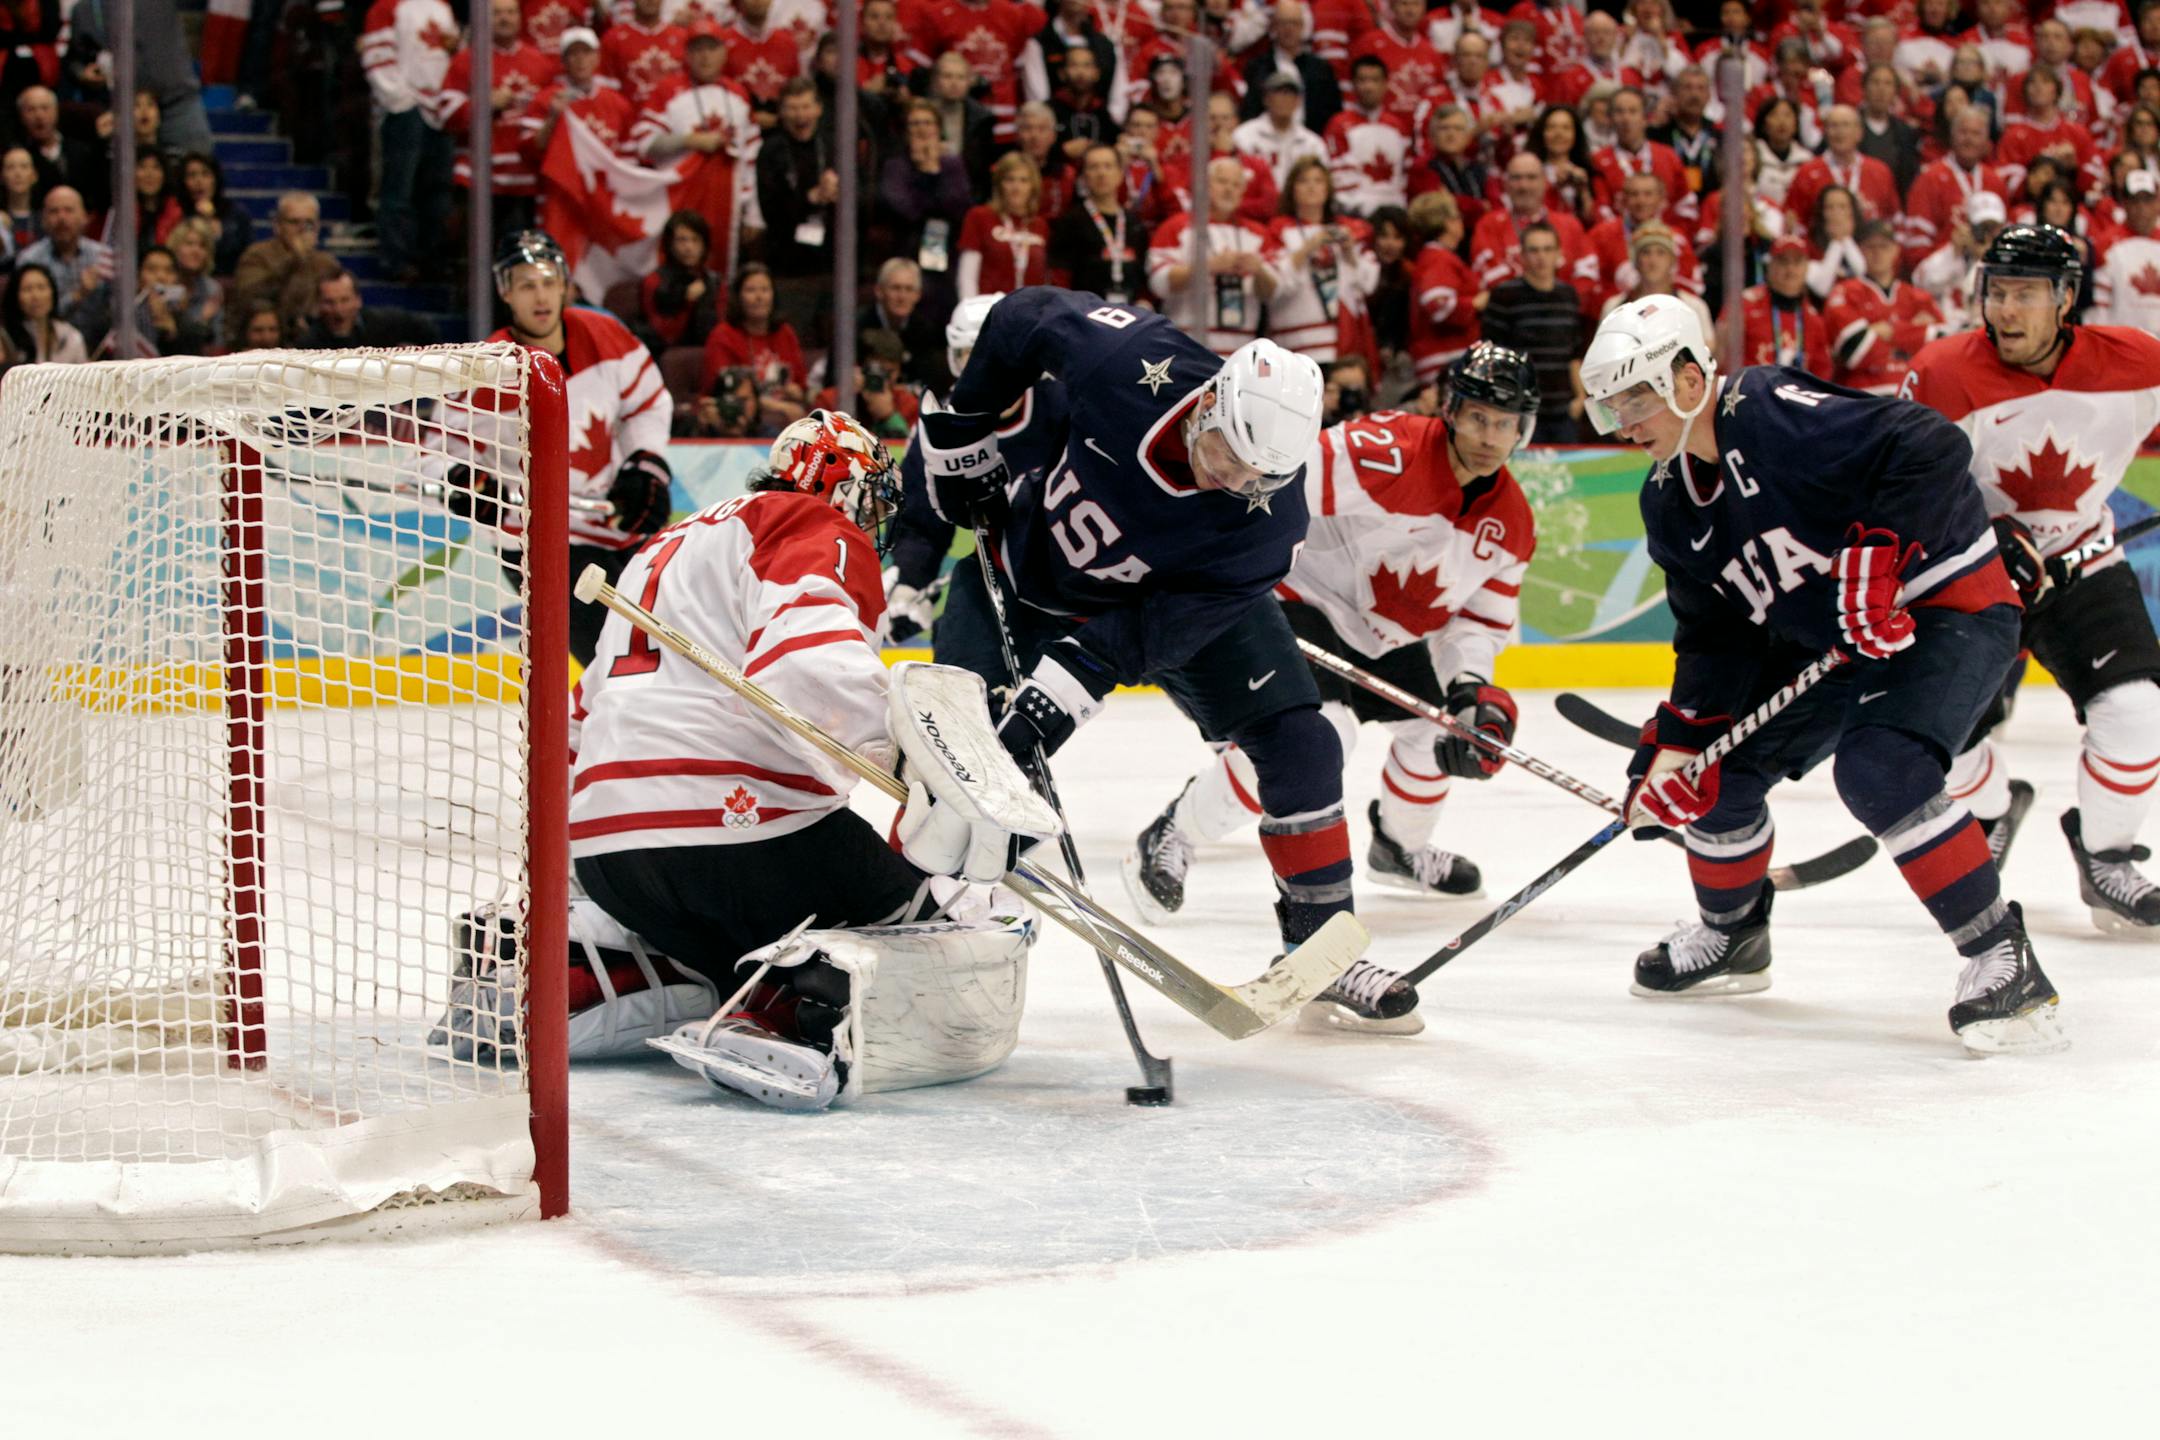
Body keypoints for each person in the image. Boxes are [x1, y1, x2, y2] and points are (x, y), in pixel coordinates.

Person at [915, 285, 1418, 1031]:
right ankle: (927, 923)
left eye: (1261, 476)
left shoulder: (1266, 524)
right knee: (972, 767)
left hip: (1171, 608)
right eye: (1229, 456)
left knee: (1302, 745)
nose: (1237, 482)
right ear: (1211, 404)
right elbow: (1020, 316)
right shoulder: (1130, 361)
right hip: (1027, 583)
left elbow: (1143, 637)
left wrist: (1060, 697)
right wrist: (966, 423)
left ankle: (1322, 949)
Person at [1577, 296, 2061, 1056]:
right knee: (1720, 778)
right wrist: (1682, 745)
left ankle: (2000, 952)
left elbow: (1926, 444)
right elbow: (1716, 636)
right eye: (1611, 408)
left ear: (1685, 375)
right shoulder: (1667, 501)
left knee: (1882, 767)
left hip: (1944, 607)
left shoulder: (1766, 409)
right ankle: (1733, 934)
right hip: (1830, 642)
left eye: (1634, 396)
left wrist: (1876, 557)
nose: (1626, 421)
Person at [534, 409, 1039, 1111]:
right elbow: (810, 663)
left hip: (608, 853)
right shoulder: (809, 525)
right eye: (870, 501)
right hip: (741, 838)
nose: (873, 524)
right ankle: (786, 1008)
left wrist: (587, 851)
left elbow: (578, 723)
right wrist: (915, 766)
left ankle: (594, 974)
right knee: (919, 922)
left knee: (718, 944)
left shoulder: (664, 545)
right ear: (844, 485)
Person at [1126, 343, 1538, 924]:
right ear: (1451, 409)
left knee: (1436, 728)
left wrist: (1473, 695)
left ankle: (1399, 848)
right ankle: (1175, 831)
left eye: (1505, 424)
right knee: (1322, 735)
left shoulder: (1514, 524)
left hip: (1383, 636)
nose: (1489, 436)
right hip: (1301, 597)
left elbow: (1477, 624)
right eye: (1477, 417)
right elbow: (1278, 477)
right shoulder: (1388, 451)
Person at [1905, 224, 2160, 933]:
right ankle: (1992, 807)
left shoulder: (2136, 362)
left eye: (2026, 294)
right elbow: (1905, 491)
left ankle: (2104, 854)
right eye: (1998, 292)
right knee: (1942, 738)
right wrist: (1981, 538)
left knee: (2139, 713)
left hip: (2082, 565)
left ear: (2068, 298)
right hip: (1971, 578)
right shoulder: (1943, 371)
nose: (2005, 311)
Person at [474, 230, 674, 666]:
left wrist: (646, 465)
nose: (540, 296)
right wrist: (470, 485)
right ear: (506, 292)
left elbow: (648, 402)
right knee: (611, 656)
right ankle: (600, 731)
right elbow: (445, 443)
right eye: (526, 284)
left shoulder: (604, 333)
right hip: (536, 538)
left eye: (548, 281)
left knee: (662, 643)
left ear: (565, 283)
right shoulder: (486, 366)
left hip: (614, 522)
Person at [630, 22, 761, 283]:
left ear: (723, 53)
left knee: (721, 277)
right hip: (679, 202)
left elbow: (750, 157)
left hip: (728, 203)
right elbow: (644, 143)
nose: (705, 56)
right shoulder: (667, 91)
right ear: (687, 54)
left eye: (711, 49)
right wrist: (690, 140)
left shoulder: (738, 95)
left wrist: (753, 212)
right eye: (697, 49)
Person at [360, 0, 457, 284]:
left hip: (439, 109)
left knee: (438, 190)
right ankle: (397, 259)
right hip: (406, 108)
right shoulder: (385, 7)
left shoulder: (442, 6)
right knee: (398, 187)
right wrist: (401, 100)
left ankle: (433, 259)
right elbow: (376, 58)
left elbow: (448, 55)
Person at [1146, 157, 1281, 357]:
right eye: (1222, 182)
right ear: (1204, 185)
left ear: (1243, 191)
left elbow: (1275, 293)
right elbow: (1159, 283)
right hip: (1186, 346)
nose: (1229, 189)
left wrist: (1259, 270)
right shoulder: (1176, 226)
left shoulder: (1259, 234)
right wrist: (1207, 267)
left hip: (1240, 351)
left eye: (1236, 185)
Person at [1480, 220, 1586, 441]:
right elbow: (1492, 356)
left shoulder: (1569, 296)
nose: (1541, 257)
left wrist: (1580, 396)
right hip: (1520, 413)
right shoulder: (1504, 296)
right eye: (1534, 250)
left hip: (1563, 412)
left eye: (1548, 249)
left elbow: (1574, 354)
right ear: (1522, 255)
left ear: (1558, 253)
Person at [1266, 156, 1375, 364]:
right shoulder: (1278, 229)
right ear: (1292, 189)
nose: (1312, 187)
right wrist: (1309, 246)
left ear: (1328, 188)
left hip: (1343, 337)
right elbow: (1274, 284)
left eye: (1318, 181)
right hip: (1296, 341)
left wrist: (1350, 251)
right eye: (1304, 181)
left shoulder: (1351, 228)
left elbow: (1367, 284)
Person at [1824, 219, 1947, 395]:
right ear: (1861, 250)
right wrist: (1915, 331)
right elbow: (1854, 350)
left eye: (1884, 246)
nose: (1878, 253)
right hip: (1862, 396)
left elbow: (1941, 345)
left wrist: (1887, 330)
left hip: (1911, 395)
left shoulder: (1918, 296)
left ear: (1896, 250)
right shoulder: (1845, 292)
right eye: (1871, 247)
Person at [699, 262, 807, 430]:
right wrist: (780, 407)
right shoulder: (723, 336)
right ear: (738, 297)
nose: (759, 297)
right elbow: (730, 395)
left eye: (765, 290)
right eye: (751, 290)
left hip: (786, 418)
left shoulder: (785, 332)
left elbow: (801, 384)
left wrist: (796, 392)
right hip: (739, 422)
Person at [229, 191, 339, 346]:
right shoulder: (257, 255)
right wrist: (293, 258)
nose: (302, 229)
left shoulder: (327, 263)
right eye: (294, 222)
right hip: (266, 338)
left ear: (317, 227)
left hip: (314, 340)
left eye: (309, 223)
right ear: (277, 225)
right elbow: (248, 295)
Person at [1048, 142, 1150, 305]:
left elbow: (1144, 274)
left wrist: (1145, 300)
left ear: (1120, 174)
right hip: (1085, 317)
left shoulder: (1134, 223)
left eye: (1108, 166)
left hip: (1130, 317)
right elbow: (1060, 276)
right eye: (1094, 167)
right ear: (1083, 176)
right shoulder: (1070, 222)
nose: (1101, 173)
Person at [16, 188, 112, 351]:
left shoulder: (103, 258)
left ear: (84, 217)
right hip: (47, 351)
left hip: (101, 351)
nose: (61, 218)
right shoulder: (30, 260)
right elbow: (29, 316)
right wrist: (78, 295)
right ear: (43, 219)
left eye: (69, 210)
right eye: (54, 211)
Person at [1728, 233, 1832, 376]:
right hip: (1749, 394)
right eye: (1783, 261)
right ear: (1770, 266)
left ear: (1807, 268)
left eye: (1797, 262)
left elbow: (1822, 375)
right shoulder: (1744, 305)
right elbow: (1723, 360)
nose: (1790, 269)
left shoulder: (1814, 319)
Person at [1324, 55, 1411, 218]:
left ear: (1386, 84)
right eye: (1362, 80)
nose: (1368, 87)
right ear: (1353, 85)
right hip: (1355, 214)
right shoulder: (1339, 125)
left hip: (1396, 213)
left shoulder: (1399, 127)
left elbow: (1403, 179)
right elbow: (1340, 182)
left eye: (1375, 80)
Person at [957, 152, 1050, 301]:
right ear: (999, 184)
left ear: (1033, 186)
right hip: (989, 310)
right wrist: (970, 310)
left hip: (1028, 313)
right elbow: (967, 275)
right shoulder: (980, 216)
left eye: (1024, 180)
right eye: (1009, 179)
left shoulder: (1039, 225)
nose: (1016, 187)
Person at [1232, 71, 1329, 195]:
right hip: (1256, 208)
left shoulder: (1312, 143)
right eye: (1278, 92)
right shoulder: (1244, 135)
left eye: (1290, 93)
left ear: (1298, 101)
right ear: (1266, 99)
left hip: (1299, 210)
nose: (1284, 98)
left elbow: (1324, 183)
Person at [639, 210, 722, 352]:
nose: (688, 247)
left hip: (710, 352)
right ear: (670, 244)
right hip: (666, 356)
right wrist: (686, 301)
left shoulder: (715, 282)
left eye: (695, 240)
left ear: (704, 245)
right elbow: (663, 336)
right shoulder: (655, 281)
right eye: (682, 240)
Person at [295, 268, 440, 349]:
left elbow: (428, 332)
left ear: (358, 300)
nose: (338, 309)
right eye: (329, 302)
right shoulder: (308, 344)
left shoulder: (386, 323)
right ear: (319, 304)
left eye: (345, 300)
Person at [2089, 171, 2160, 331]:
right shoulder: (2105, 244)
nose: (2142, 208)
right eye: (2135, 201)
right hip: (2123, 344)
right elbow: (2099, 305)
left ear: (2157, 203)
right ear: (2125, 204)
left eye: (2147, 201)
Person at [0, 263, 87, 368]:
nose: (35, 296)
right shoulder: (5, 338)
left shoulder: (70, 336)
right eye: (27, 289)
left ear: (52, 292)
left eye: (41, 288)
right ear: (15, 296)